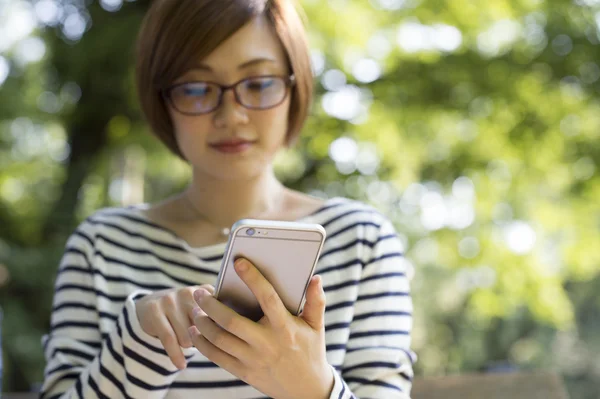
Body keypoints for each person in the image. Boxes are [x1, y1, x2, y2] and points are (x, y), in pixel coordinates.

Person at [39, 0, 416, 397]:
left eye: (258, 83)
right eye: (196, 88)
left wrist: (311, 386)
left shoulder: (363, 242)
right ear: (162, 100)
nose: (231, 115)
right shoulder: (100, 247)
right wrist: (137, 342)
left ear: (295, 86)